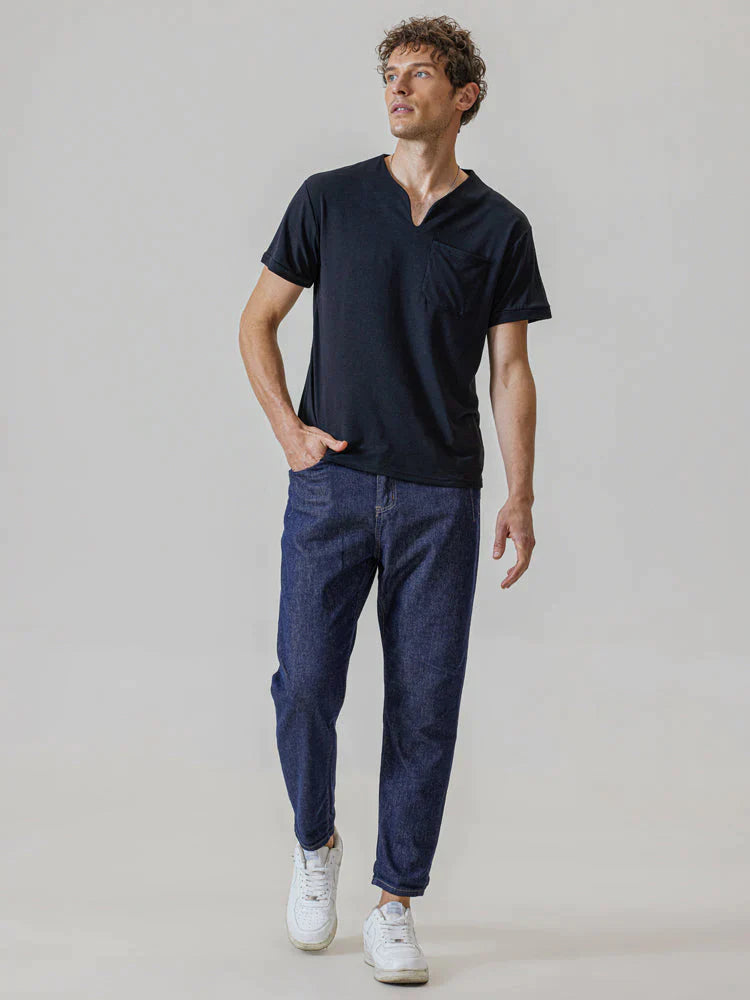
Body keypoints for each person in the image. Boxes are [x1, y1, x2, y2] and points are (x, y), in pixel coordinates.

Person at [238, 14, 552, 985]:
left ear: (464, 96)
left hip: (440, 497)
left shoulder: (499, 227)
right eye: (390, 73)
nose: (398, 86)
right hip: (330, 489)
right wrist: (290, 433)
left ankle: (394, 902)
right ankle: (315, 842)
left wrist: (521, 492)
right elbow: (257, 320)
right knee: (304, 686)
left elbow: (510, 370)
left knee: (425, 704)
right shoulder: (329, 199)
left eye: (420, 73)